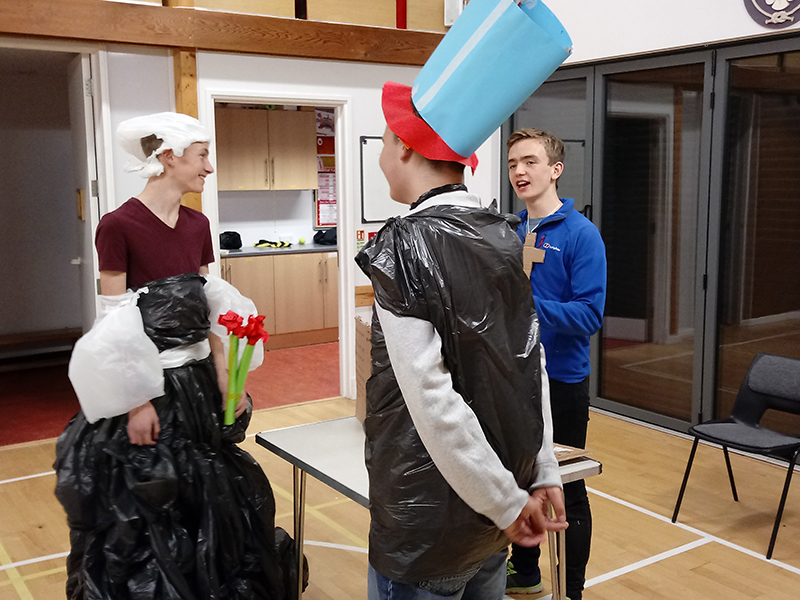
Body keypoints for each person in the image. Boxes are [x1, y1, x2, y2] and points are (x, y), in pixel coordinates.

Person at [54, 112, 288, 600]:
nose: (209, 167)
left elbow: (210, 309)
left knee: (209, 494)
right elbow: (115, 321)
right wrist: (135, 402)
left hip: (198, 385)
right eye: (202, 156)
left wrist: (229, 380)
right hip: (150, 389)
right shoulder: (117, 226)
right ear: (168, 157)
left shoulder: (198, 224)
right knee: (151, 497)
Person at [355, 78, 568, 600]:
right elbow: (529, 365)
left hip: (429, 524)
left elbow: (432, 400)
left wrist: (507, 501)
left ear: (404, 146)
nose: (381, 159)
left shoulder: (403, 245)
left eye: (383, 143)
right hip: (498, 506)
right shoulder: (502, 233)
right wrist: (540, 470)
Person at [505, 128, 607, 600]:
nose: (519, 171)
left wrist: (527, 308)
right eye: (513, 164)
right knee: (518, 478)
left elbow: (588, 315)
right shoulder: (511, 231)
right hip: (513, 378)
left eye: (530, 161)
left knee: (567, 486)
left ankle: (572, 591)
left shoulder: (582, 235)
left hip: (561, 382)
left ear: (555, 170)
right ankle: (525, 572)